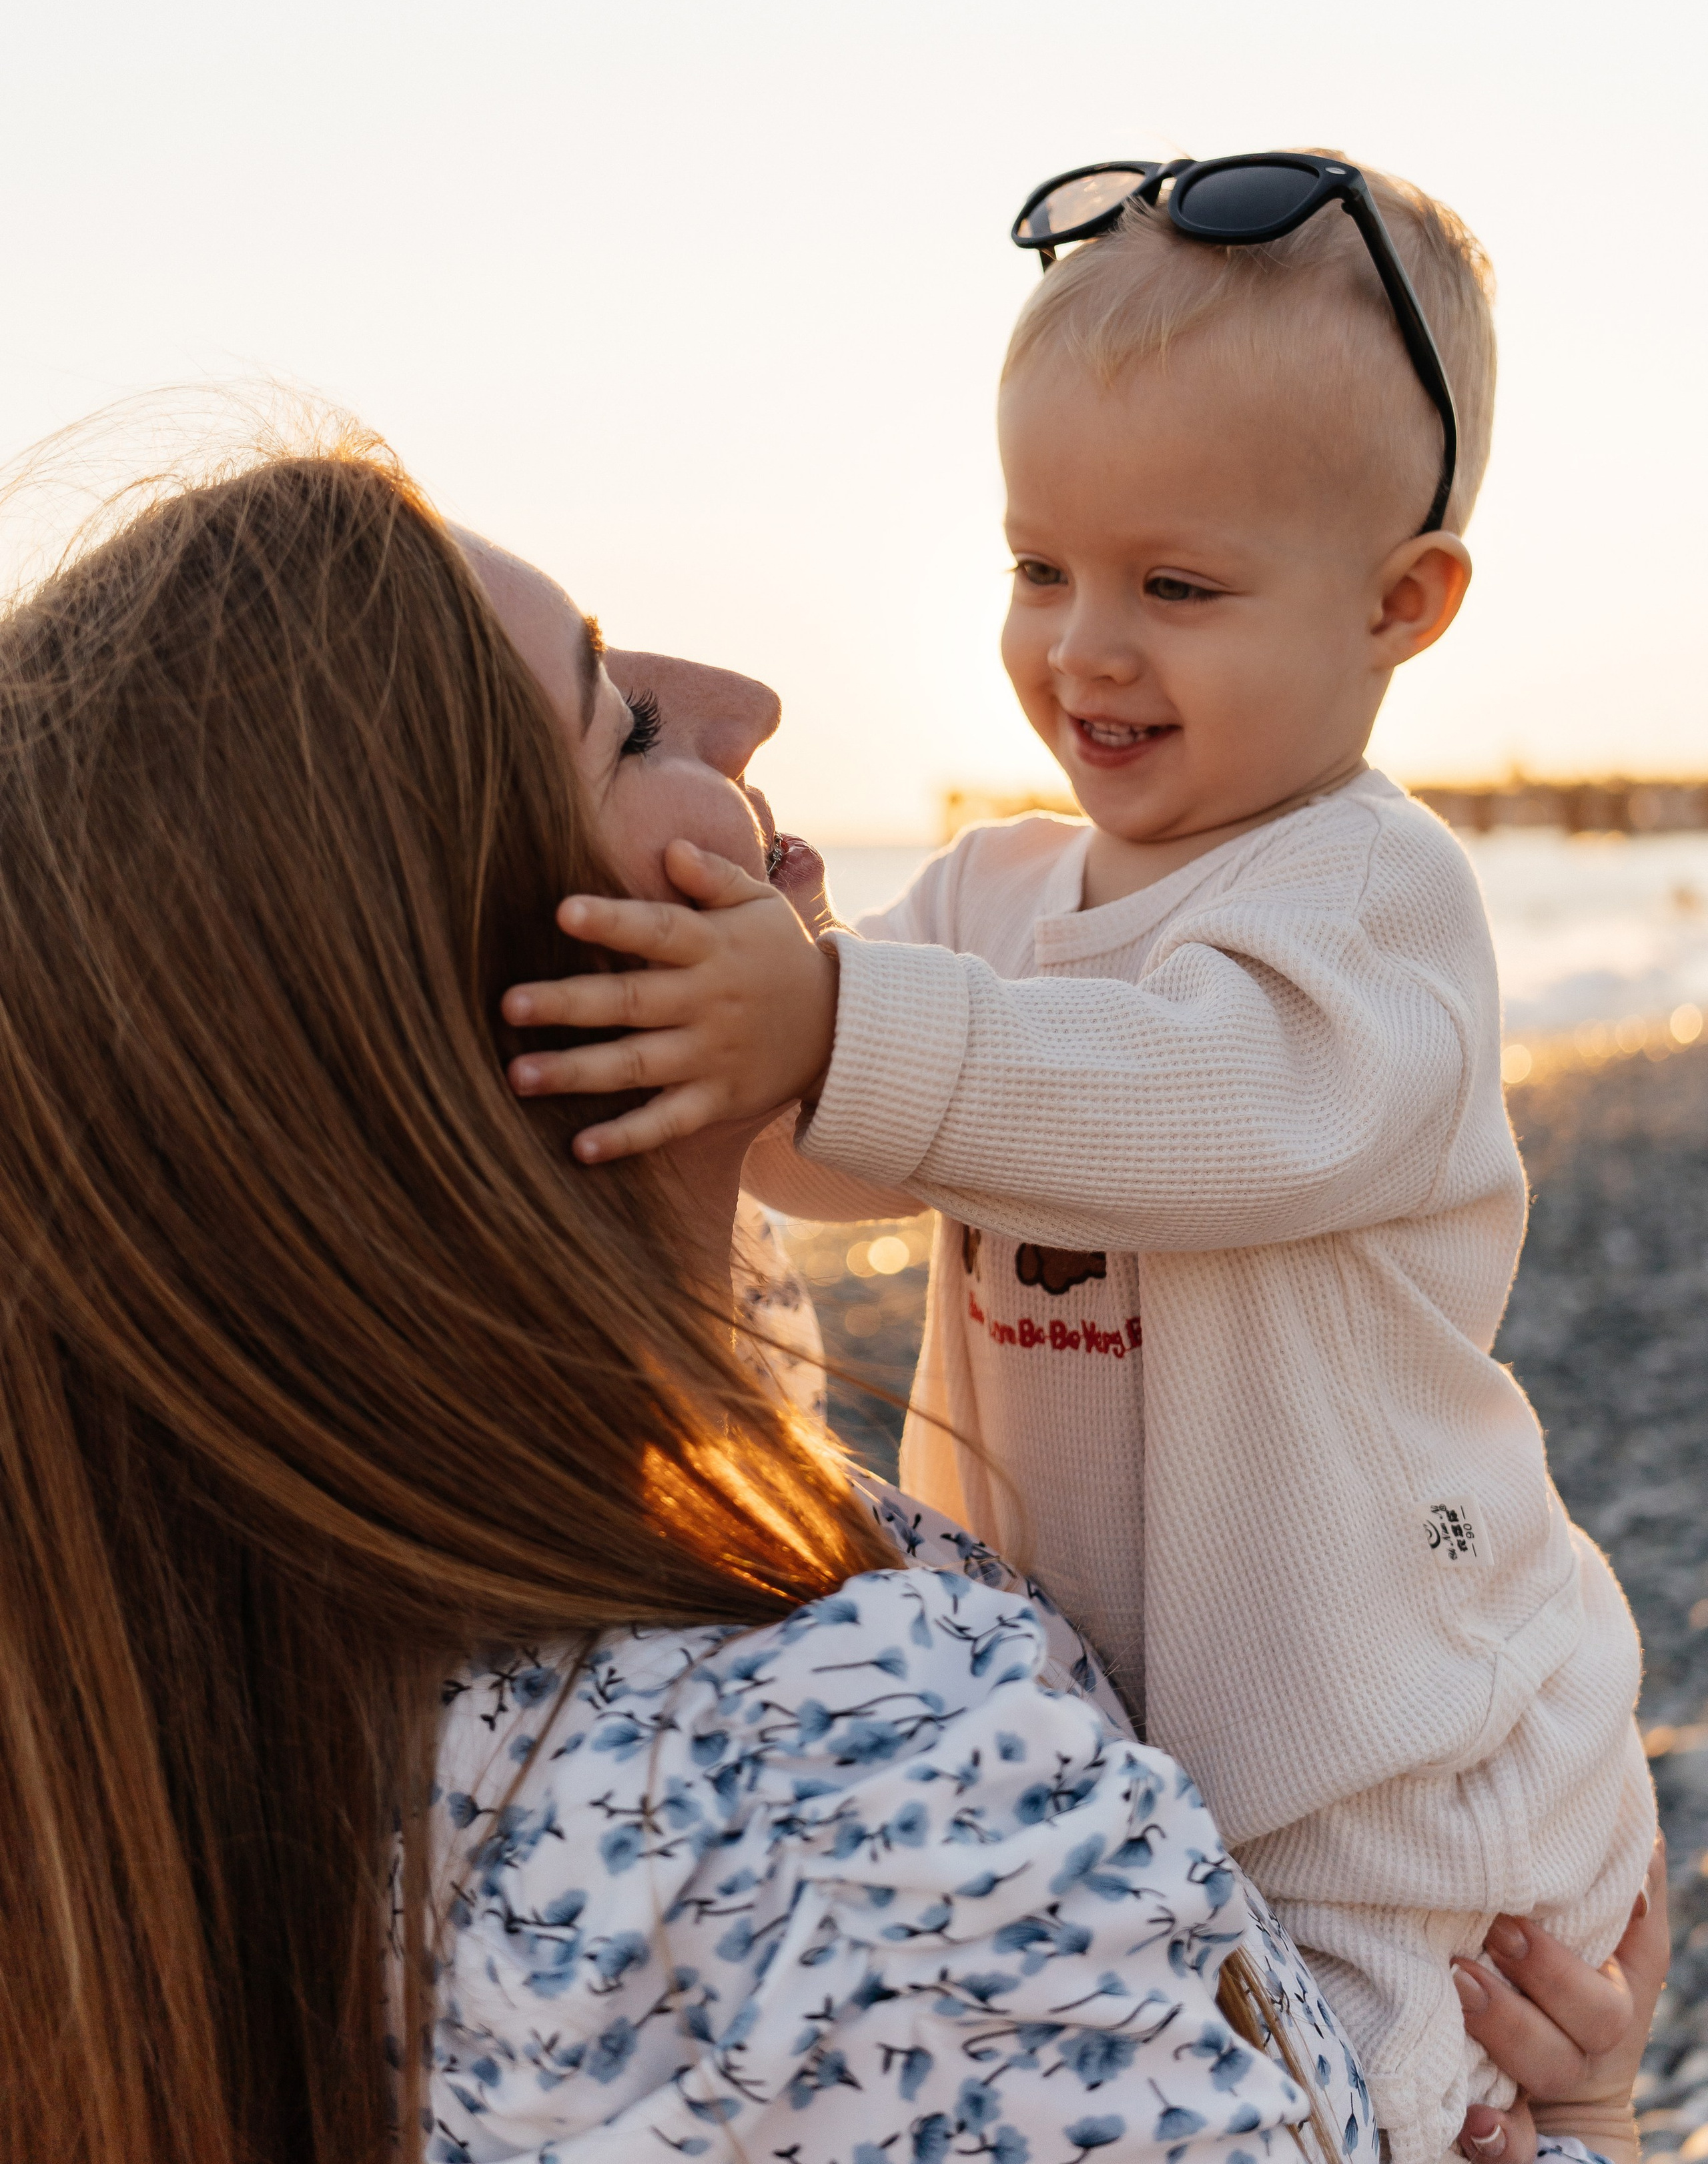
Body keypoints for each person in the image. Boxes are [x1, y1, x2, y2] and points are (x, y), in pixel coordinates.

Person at [0, 426, 1659, 2164]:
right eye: (623, 722)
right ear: (507, 1051)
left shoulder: (157, 1732)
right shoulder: (873, 1795)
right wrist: (1585, 2132)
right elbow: (1192, 1084)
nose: (747, 701)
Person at [493, 156, 1656, 2164]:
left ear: (1405, 603)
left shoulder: (1372, 904)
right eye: (1043, 570)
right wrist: (733, 1043)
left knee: (1376, 2096)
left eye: (1175, 588)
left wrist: (835, 1021)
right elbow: (838, 1153)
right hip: (1151, 1723)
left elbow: (1214, 1100)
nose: (1085, 652)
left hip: (1391, 1753)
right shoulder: (999, 896)